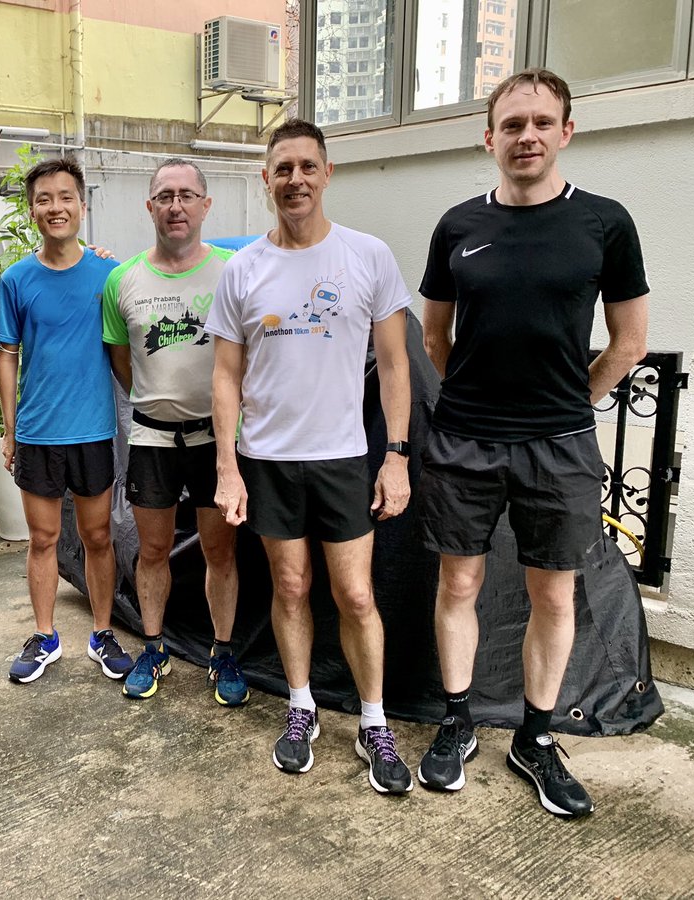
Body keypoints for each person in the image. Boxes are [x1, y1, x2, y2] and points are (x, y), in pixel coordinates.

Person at [416, 68, 649, 818]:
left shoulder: (605, 223)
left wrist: (572, 402)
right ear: (490, 138)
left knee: (553, 594)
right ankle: (457, 722)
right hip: (466, 441)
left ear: (566, 132)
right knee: (458, 585)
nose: (527, 136)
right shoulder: (457, 226)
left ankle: (536, 738)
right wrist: (475, 401)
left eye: (542, 122)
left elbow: (629, 341)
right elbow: (433, 336)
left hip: (560, 445)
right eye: (513, 124)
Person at [207, 119, 415, 795]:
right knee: (291, 588)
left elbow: (394, 364)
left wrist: (397, 456)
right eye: (282, 168)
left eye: (306, 166)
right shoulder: (242, 269)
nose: (295, 179)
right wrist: (228, 467)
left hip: (343, 458)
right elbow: (225, 376)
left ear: (328, 173)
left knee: (355, 594)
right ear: (266, 180)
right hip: (268, 460)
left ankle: (373, 721)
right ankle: (301, 707)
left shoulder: (368, 256)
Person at [101, 158, 247, 705]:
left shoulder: (234, 270)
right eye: (165, 196)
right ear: (150, 207)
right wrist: (158, 402)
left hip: (217, 441)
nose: (176, 206)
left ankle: (223, 651)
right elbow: (122, 361)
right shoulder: (122, 279)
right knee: (153, 549)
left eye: (187, 195)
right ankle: (154, 646)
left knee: (219, 551)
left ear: (206, 205)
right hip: (152, 439)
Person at [0, 156, 134, 684]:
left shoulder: (109, 274)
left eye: (65, 197)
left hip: (94, 430)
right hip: (37, 433)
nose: (56, 207)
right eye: (44, 199)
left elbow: (128, 343)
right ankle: (45, 635)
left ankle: (102, 632)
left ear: (82, 205)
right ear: (32, 210)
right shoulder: (15, 280)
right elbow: (7, 355)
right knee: (43, 538)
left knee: (98, 536)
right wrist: (10, 430)